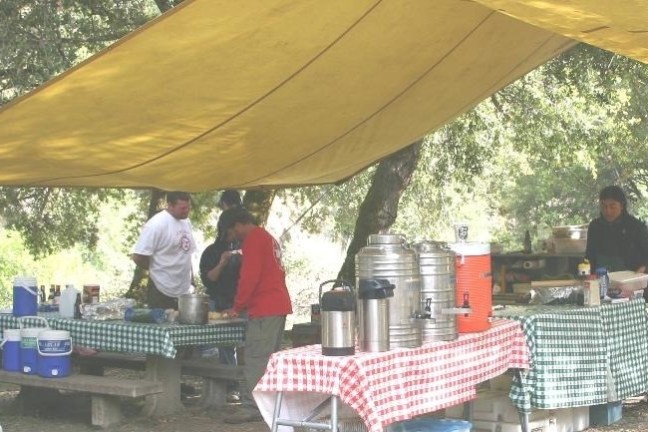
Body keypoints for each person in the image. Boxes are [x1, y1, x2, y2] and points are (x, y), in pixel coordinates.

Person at [219, 207, 292, 424]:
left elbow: (249, 276)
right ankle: (271, 404)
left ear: (238, 224)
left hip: (264, 307)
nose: (234, 238)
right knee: (270, 358)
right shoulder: (267, 237)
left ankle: (252, 407)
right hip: (278, 304)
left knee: (255, 357)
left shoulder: (253, 239)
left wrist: (237, 306)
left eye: (232, 232)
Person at [199, 210, 243, 402]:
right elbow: (210, 280)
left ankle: (237, 384)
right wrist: (223, 262)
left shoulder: (245, 249)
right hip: (218, 302)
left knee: (239, 344)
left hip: (240, 302)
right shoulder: (211, 252)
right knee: (218, 345)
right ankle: (226, 384)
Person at [132, 191, 196, 309]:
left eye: (188, 207)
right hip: (161, 289)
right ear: (170, 205)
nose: (186, 211)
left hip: (184, 290)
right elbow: (138, 257)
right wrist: (157, 268)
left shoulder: (186, 222)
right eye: (182, 208)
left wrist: (192, 281)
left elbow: (187, 253)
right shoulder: (156, 224)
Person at [585, 186, 648, 298]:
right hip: (601, 283)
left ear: (622, 206)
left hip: (630, 286)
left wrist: (639, 273)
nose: (608, 211)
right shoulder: (595, 227)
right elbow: (589, 257)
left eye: (612, 206)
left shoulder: (636, 227)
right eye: (604, 206)